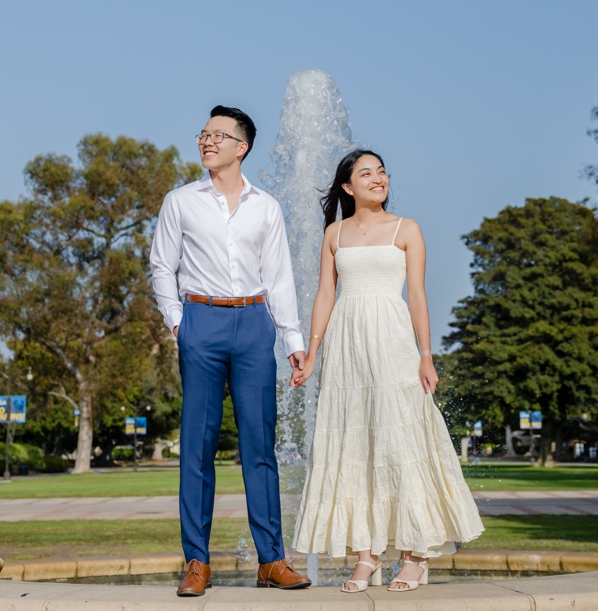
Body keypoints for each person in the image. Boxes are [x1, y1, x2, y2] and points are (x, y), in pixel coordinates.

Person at [290, 149, 481, 591]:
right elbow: (325, 296)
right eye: (366, 173)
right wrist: (312, 354)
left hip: (393, 343)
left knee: (401, 442)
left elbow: (417, 295)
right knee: (355, 445)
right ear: (347, 186)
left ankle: (416, 555)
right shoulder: (334, 234)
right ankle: (367, 555)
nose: (378, 178)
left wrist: (426, 354)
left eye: (381, 171)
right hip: (346, 349)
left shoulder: (406, 228)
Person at [150, 105, 312, 598]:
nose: (206, 141)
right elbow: (162, 266)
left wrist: (293, 341)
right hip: (200, 320)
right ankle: (197, 562)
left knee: (260, 447)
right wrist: (178, 322)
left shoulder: (267, 207)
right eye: (203, 134)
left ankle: (272, 560)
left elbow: (279, 278)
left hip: (254, 324)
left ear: (242, 147)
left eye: (218, 135)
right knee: (196, 446)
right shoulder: (180, 201)